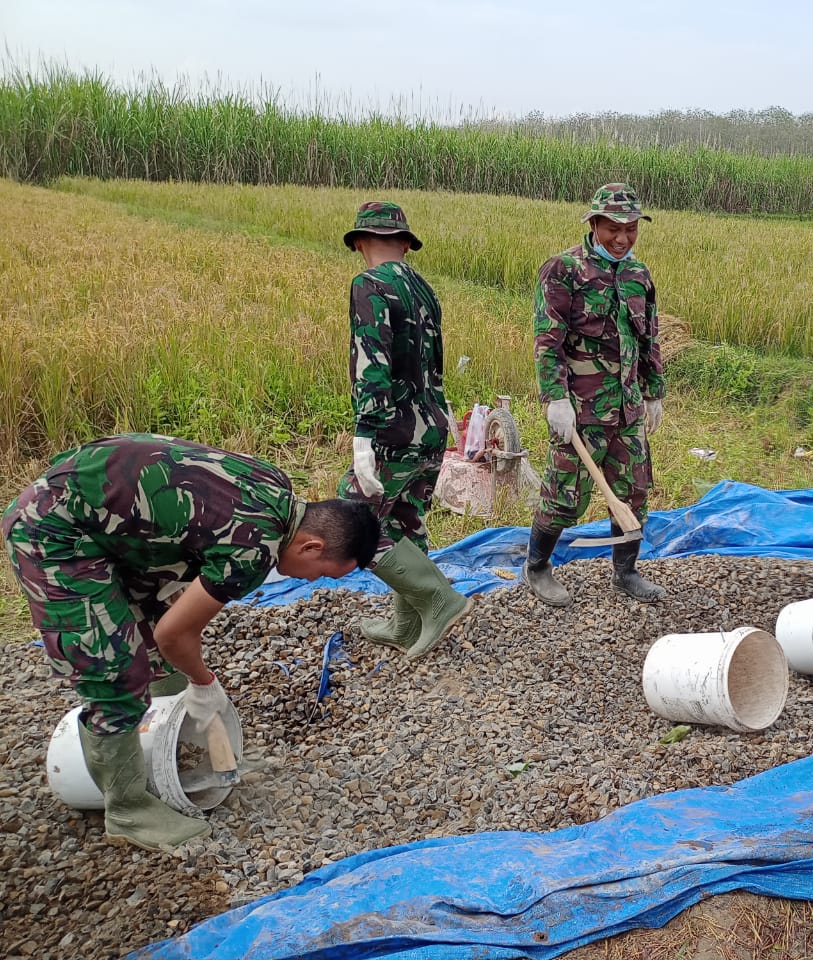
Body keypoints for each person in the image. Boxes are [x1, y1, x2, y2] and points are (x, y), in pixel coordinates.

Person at [2, 434, 380, 851]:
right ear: (312, 545)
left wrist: (190, 680)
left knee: (153, 626)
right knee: (114, 674)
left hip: (108, 521)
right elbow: (176, 634)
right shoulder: (252, 551)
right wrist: (205, 684)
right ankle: (127, 808)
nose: (312, 582)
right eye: (323, 573)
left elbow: (169, 619)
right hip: (55, 532)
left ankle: (172, 735)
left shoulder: (277, 487)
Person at [522, 184, 667, 606]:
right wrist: (555, 399)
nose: (622, 238)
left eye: (631, 229)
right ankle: (537, 567)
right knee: (565, 495)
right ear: (594, 224)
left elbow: (649, 337)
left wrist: (653, 391)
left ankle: (625, 572)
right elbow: (547, 340)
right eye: (612, 229)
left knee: (634, 491)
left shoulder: (639, 276)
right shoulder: (563, 270)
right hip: (580, 410)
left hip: (627, 409)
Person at [338, 200, 472, 657]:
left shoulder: (368, 285)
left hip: (394, 430)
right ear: (405, 245)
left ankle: (439, 599)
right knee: (407, 521)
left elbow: (371, 360)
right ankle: (403, 624)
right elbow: (430, 365)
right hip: (432, 425)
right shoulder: (425, 289)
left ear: (359, 242)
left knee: (350, 519)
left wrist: (364, 434)